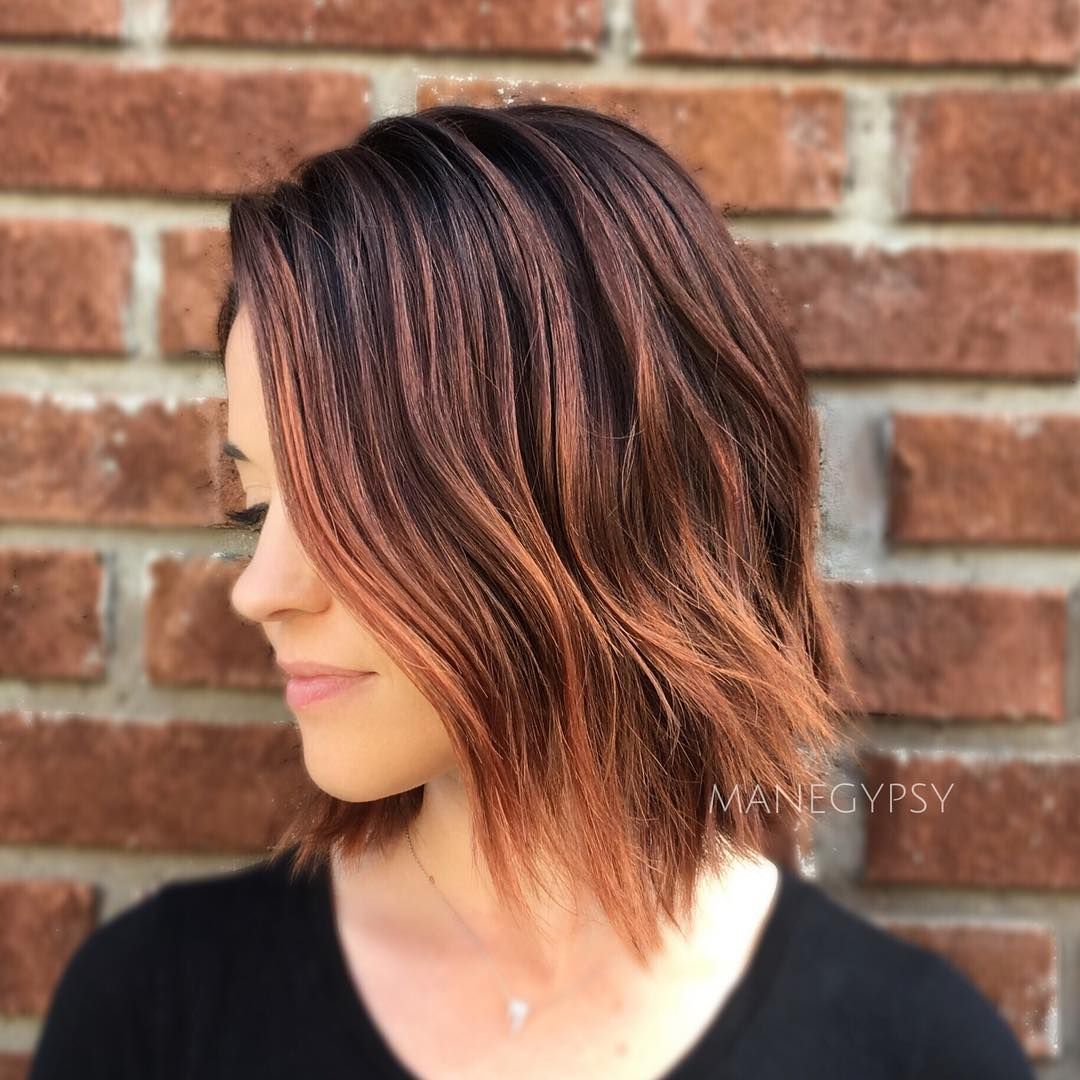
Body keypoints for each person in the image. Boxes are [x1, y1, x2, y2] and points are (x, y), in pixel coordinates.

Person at [28, 102, 1035, 1080]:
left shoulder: (916, 1053)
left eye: (348, 501)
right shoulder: (154, 1014)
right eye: (258, 508)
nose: (259, 591)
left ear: (599, 496)